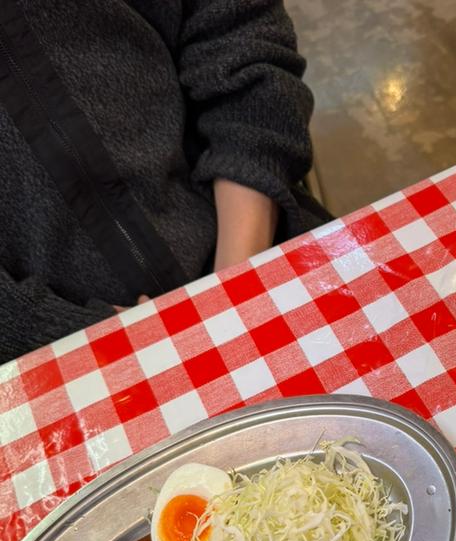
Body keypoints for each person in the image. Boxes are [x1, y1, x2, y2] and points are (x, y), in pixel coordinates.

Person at [0, 0, 330, 363]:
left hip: (266, 246)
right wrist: (62, 333)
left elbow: (241, 30)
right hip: (57, 369)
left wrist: (232, 284)